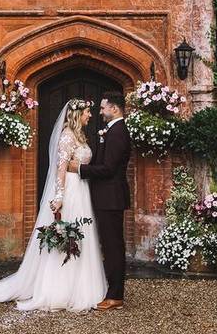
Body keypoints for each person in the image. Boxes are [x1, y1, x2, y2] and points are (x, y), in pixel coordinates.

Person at [0, 98, 107, 312]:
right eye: (88, 112)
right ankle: (59, 289)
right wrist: (59, 196)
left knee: (82, 234)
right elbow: (60, 170)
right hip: (70, 191)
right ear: (78, 114)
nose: (91, 115)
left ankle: (83, 286)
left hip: (82, 190)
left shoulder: (80, 136)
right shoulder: (67, 137)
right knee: (68, 236)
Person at [70, 91, 131, 310]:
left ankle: (115, 295)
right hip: (106, 197)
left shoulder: (118, 133)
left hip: (111, 198)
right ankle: (112, 290)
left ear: (114, 109)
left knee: (113, 245)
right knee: (110, 244)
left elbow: (108, 169)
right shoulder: (113, 130)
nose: (100, 111)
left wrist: (79, 169)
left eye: (104, 107)